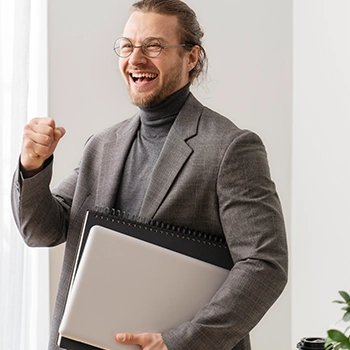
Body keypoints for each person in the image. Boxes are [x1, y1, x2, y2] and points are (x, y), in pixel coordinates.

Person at [11, 0, 288, 349]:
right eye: (127, 46)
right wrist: (32, 166)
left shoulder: (231, 147)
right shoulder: (102, 145)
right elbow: (41, 231)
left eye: (153, 46)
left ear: (191, 58)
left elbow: (265, 265)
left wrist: (177, 342)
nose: (136, 59)